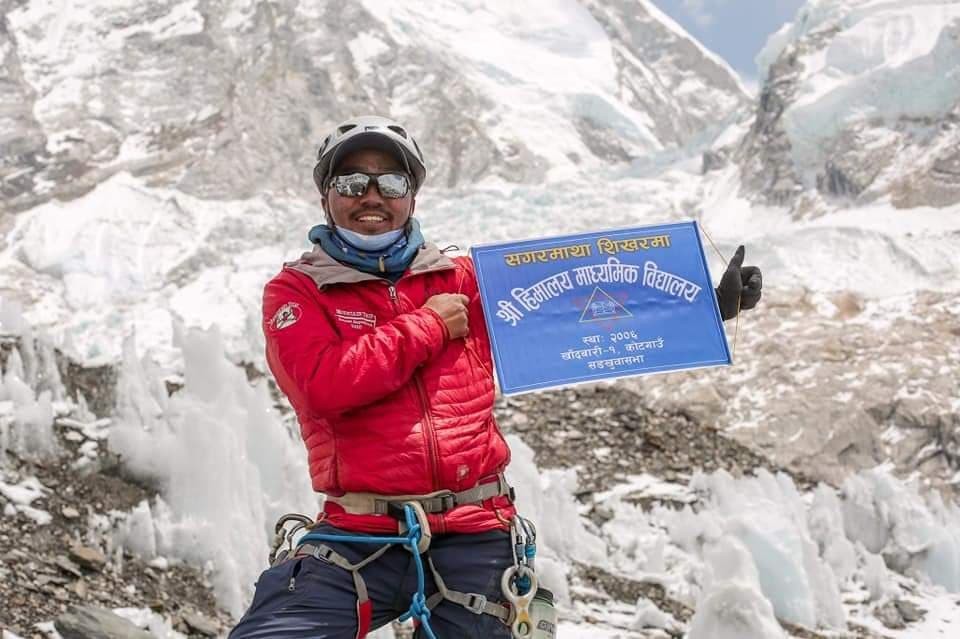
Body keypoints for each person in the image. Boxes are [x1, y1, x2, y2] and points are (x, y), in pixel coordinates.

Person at [229, 115, 762, 639]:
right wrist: (429, 324)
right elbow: (325, 386)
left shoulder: (465, 278)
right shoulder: (297, 292)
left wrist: (704, 309)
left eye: (391, 182)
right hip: (358, 532)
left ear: (412, 196)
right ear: (327, 195)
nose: (372, 195)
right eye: (352, 182)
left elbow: (578, 318)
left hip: (476, 528)